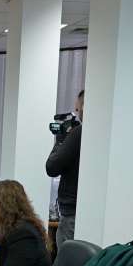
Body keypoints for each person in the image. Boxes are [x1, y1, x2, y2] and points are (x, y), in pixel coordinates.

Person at [46, 90, 83, 247]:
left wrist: (60, 141)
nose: (77, 113)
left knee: (68, 258)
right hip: (83, 209)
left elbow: (52, 167)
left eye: (77, 109)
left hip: (71, 213)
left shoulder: (78, 133)